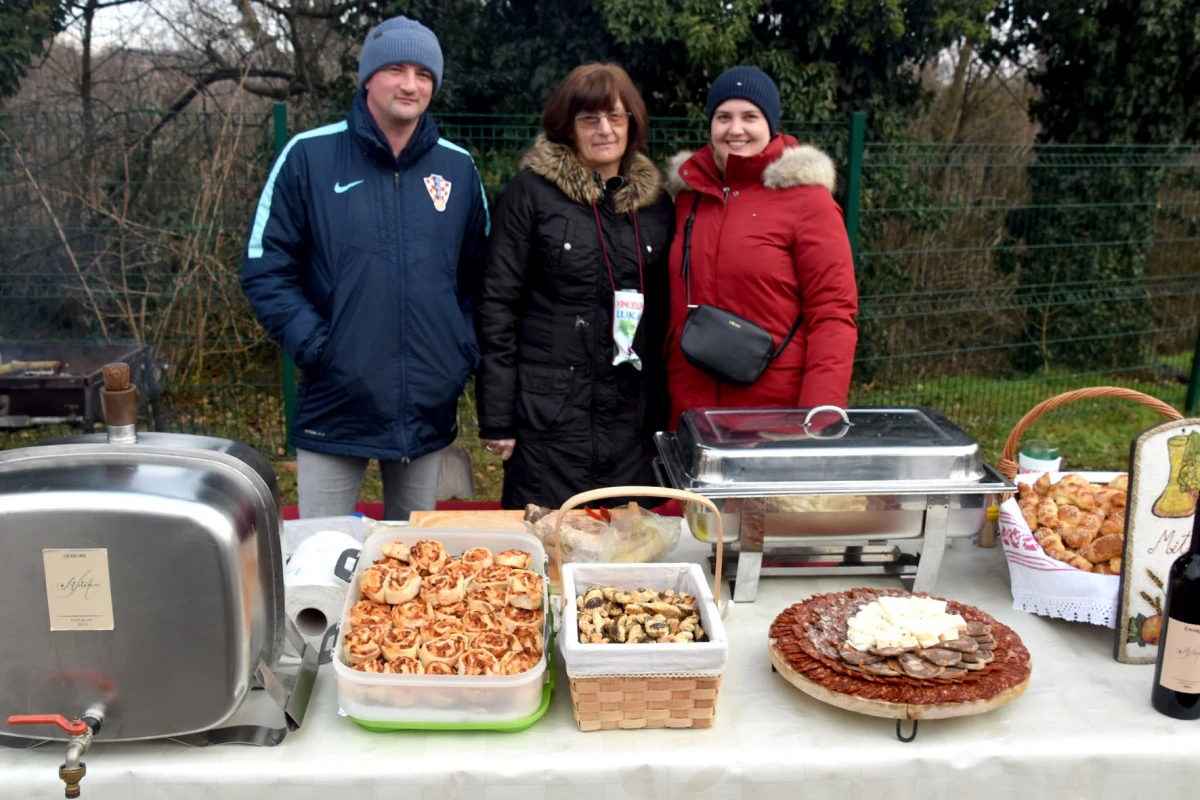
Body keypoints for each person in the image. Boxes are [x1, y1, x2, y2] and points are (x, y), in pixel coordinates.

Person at [241, 16, 489, 520]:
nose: (410, 84)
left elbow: (480, 280)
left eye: (423, 73)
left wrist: (456, 352)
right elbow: (265, 268)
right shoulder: (309, 156)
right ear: (368, 78)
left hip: (425, 405)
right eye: (396, 68)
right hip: (336, 399)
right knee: (321, 560)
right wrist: (320, 348)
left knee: (417, 562)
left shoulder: (458, 169)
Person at [476, 63, 674, 509]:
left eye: (615, 117)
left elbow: (665, 314)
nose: (604, 129)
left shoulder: (658, 206)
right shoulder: (530, 194)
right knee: (546, 556)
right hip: (549, 422)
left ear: (632, 123)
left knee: (627, 560)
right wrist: (497, 416)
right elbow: (497, 305)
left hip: (630, 420)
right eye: (590, 119)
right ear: (569, 126)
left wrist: (663, 410)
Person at [665, 66, 858, 424]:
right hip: (690, 409)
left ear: (770, 124)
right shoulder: (689, 199)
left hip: (772, 418)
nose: (735, 129)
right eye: (723, 116)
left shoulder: (807, 201)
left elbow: (832, 313)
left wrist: (818, 417)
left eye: (749, 116)